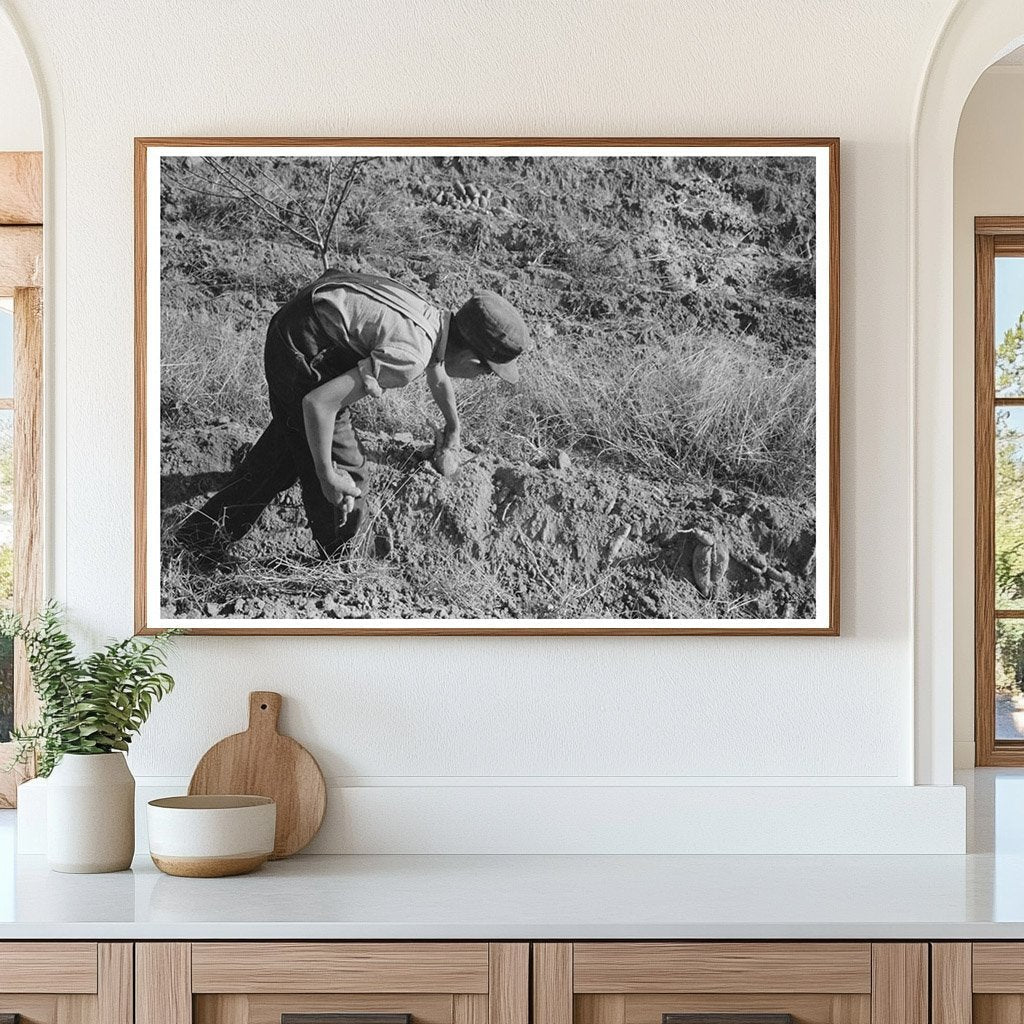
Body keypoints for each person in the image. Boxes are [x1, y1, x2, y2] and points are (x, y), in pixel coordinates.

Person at [178, 270, 528, 558]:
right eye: (487, 372)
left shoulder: (433, 320)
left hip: (303, 325)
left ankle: (200, 538)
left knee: (285, 453)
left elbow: (438, 370)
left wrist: (453, 425)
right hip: (304, 348)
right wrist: (327, 473)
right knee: (346, 475)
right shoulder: (410, 356)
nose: (482, 378)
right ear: (472, 360)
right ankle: (340, 563)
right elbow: (318, 404)